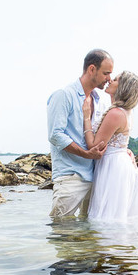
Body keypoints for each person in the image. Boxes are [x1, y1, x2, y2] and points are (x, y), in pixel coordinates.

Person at [46, 49, 114, 218]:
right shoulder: (64, 95)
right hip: (70, 176)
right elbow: (55, 135)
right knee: (61, 228)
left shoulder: (99, 101)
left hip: (94, 176)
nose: (109, 79)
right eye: (106, 73)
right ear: (92, 69)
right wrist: (85, 154)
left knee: (90, 230)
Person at [83, 71, 138, 224]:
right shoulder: (125, 112)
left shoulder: (116, 113)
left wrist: (86, 117)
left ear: (123, 87)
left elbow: (94, 146)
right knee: (117, 214)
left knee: (109, 215)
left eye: (116, 79)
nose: (110, 80)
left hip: (113, 166)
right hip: (119, 162)